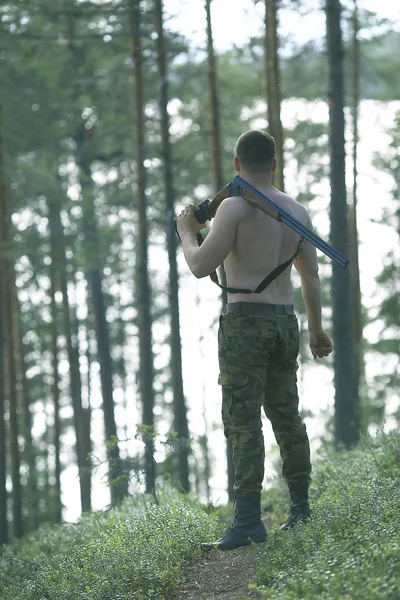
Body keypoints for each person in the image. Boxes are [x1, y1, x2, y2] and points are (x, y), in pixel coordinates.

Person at [175, 129, 333, 551]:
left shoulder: (233, 208)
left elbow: (200, 264)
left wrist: (186, 232)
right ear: (275, 164)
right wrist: (316, 328)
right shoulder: (296, 210)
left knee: (243, 423)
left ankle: (248, 521)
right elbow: (310, 275)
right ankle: (300, 509)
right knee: (287, 416)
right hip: (286, 323)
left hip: (245, 324)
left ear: (236, 165)